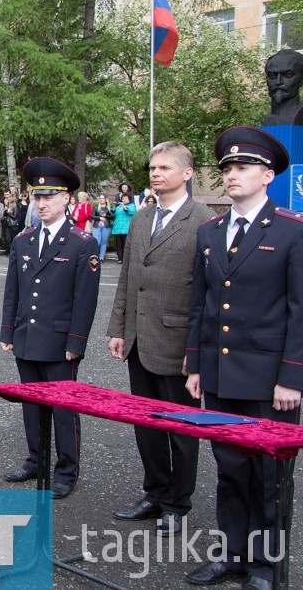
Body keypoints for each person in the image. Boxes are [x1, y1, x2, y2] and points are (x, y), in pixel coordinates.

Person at [185, 126, 303, 589]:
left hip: (270, 377)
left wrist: (293, 376)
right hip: (219, 374)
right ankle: (232, 554)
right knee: (231, 471)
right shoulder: (210, 232)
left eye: (243, 167)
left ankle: (265, 566)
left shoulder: (293, 232)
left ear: (268, 175)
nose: (232, 175)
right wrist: (195, 364)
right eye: (227, 168)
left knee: (269, 478)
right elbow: (202, 302)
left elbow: (300, 309)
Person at [106, 141, 214, 537]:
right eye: (152, 167)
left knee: (182, 430)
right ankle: (154, 492)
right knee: (146, 426)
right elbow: (128, 280)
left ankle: (177, 503)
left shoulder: (203, 220)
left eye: (165, 167)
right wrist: (118, 328)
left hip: (177, 343)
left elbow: (208, 292)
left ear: (186, 173)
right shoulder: (140, 218)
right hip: (138, 339)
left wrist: (197, 350)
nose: (155, 173)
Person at [0, 158, 100, 500]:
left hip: (59, 340)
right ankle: (36, 459)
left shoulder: (81, 242)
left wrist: (77, 342)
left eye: (49, 197)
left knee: (63, 406)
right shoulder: (24, 239)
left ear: (66, 200)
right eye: (37, 198)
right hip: (27, 334)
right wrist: (6, 331)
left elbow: (84, 299)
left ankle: (66, 470)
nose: (41, 204)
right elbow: (13, 289)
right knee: (31, 402)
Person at [263, 48, 303, 126]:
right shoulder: (268, 118)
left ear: (301, 79)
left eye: (288, 75)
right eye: (272, 76)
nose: (278, 82)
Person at [111, 192, 137, 262]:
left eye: (125, 198)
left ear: (129, 199)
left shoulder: (132, 206)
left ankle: (126, 259)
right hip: (118, 228)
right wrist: (113, 207)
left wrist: (124, 207)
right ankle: (120, 258)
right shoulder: (118, 207)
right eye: (123, 198)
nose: (124, 200)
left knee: (126, 245)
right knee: (119, 244)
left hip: (126, 228)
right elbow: (113, 214)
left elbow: (131, 212)